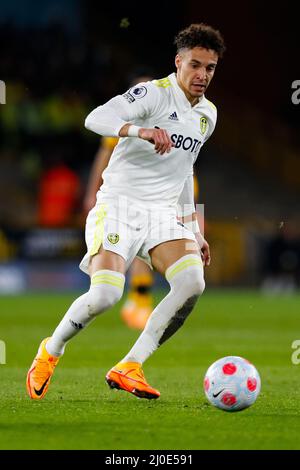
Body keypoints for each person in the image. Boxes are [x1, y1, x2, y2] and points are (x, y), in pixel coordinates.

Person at [27, 23, 226, 400]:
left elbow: (185, 169)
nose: (202, 75)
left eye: (210, 68)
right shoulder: (153, 94)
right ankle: (51, 350)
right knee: (104, 296)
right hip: (119, 205)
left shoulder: (208, 116)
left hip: (163, 214)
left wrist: (193, 229)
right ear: (178, 61)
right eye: (195, 65)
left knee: (191, 284)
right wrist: (139, 131)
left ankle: (130, 365)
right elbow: (94, 118)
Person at [83, 71, 156, 331]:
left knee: (146, 251)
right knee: (132, 248)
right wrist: (92, 193)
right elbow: (103, 156)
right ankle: (133, 300)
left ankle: (139, 301)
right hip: (125, 196)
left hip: (157, 196)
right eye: (140, 88)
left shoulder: (165, 117)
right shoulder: (123, 122)